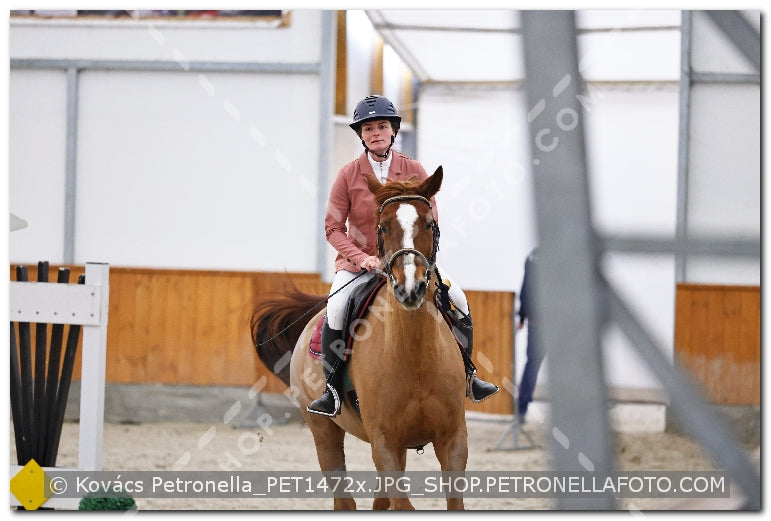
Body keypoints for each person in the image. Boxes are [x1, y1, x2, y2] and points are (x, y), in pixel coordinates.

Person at [307, 94, 499, 417]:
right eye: (368, 129)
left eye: (382, 126)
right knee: (337, 308)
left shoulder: (412, 169)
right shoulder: (347, 175)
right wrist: (362, 258)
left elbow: (430, 217)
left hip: (410, 262)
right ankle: (332, 390)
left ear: (393, 130)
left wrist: (419, 257)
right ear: (361, 135)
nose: (376, 133)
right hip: (361, 265)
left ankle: (469, 374)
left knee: (460, 299)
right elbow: (332, 229)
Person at [517, 247, 544, 423]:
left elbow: (525, 289)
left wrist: (522, 316)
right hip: (557, 323)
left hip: (536, 322)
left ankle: (521, 409)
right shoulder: (563, 254)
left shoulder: (533, 256)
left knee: (532, 365)